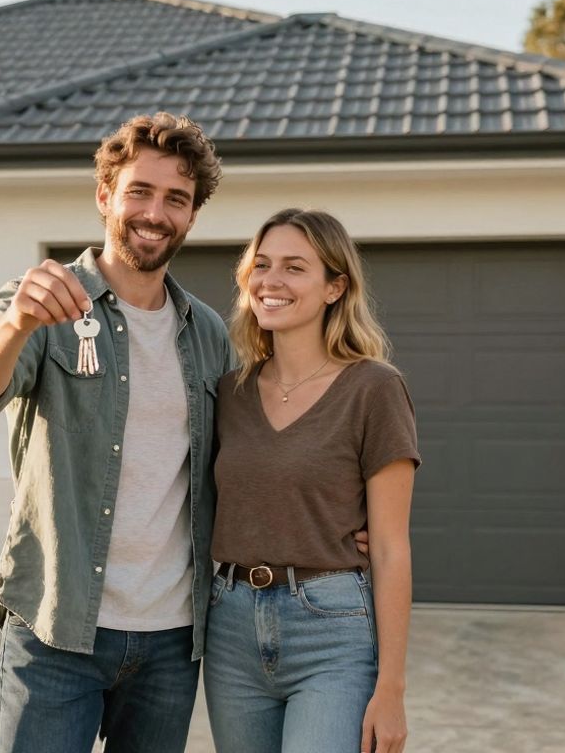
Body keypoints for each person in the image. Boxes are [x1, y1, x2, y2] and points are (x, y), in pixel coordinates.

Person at [0, 111, 231, 753]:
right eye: (140, 192)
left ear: (191, 216)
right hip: (54, 627)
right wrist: (16, 325)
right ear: (105, 196)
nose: (155, 213)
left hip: (171, 639)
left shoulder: (208, 333)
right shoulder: (38, 301)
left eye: (176, 200)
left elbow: (242, 459)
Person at [203, 208, 420, 753]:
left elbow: (392, 547)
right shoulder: (229, 392)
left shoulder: (374, 388)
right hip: (229, 626)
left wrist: (391, 688)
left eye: (295, 268)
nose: (271, 281)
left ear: (334, 287)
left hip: (330, 627)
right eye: (262, 265)